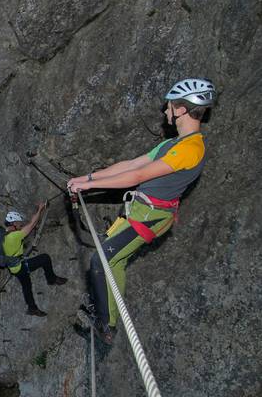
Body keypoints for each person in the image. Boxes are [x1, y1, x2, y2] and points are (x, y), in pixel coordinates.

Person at [68, 78, 216, 344]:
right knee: (115, 259)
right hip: (142, 212)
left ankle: (104, 325)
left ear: (181, 109)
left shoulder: (190, 149)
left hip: (150, 217)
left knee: (99, 261)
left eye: (169, 106)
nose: (165, 111)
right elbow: (132, 163)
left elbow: (136, 175)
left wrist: (88, 186)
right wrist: (87, 177)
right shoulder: (175, 144)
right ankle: (109, 312)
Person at [4, 203, 68, 317]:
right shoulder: (14, 236)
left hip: (13, 267)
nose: (20, 225)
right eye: (18, 223)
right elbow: (32, 224)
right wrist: (40, 209)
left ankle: (32, 308)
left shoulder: (4, 235)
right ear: (13, 224)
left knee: (26, 285)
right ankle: (51, 279)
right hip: (20, 266)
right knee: (45, 258)